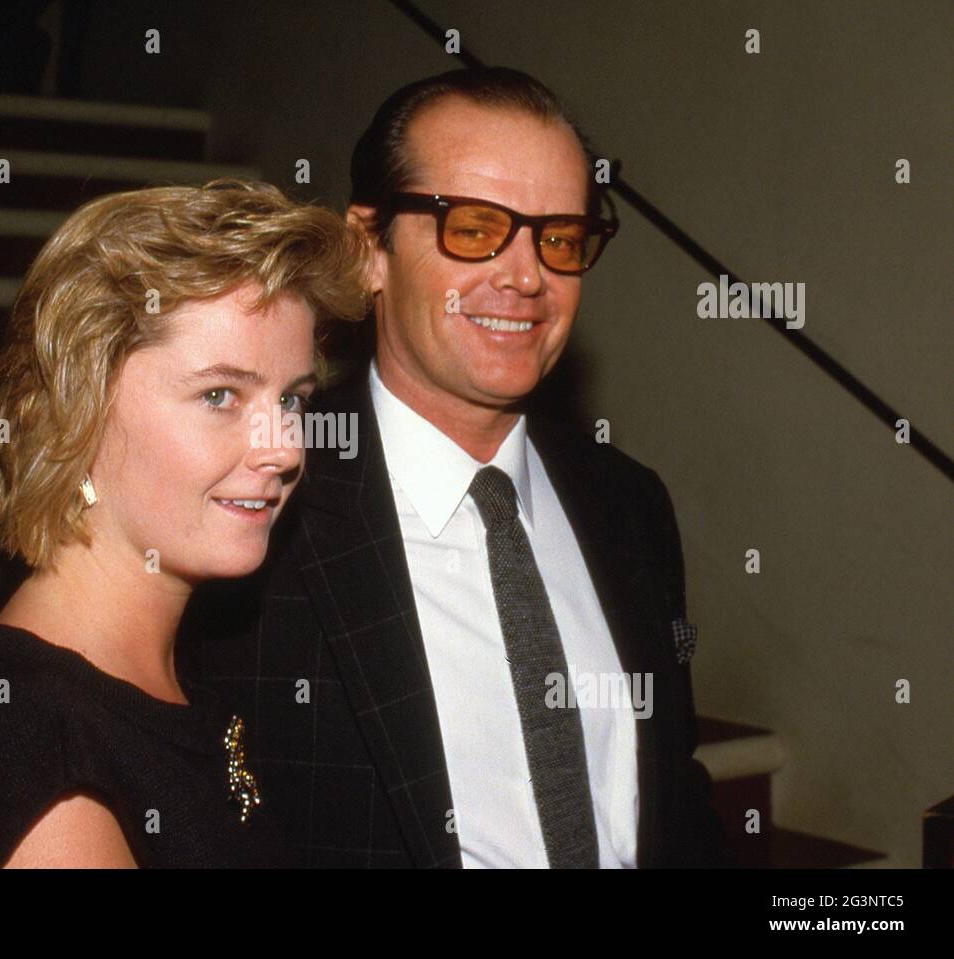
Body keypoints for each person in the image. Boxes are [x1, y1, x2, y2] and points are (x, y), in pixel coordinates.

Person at [179, 68, 734, 868]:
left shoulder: (629, 504)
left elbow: (675, 803)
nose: (526, 276)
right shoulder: (261, 512)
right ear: (369, 250)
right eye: (473, 228)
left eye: (561, 237)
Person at [0, 180, 370, 867]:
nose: (286, 447)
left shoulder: (180, 668)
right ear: (76, 411)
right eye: (220, 395)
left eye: (293, 399)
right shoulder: (38, 748)